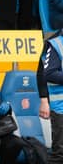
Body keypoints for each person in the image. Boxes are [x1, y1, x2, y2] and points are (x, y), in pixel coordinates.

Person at [37, 28, 63, 163]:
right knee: (60, 154)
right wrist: (44, 100)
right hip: (60, 109)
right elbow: (46, 73)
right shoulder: (56, 44)